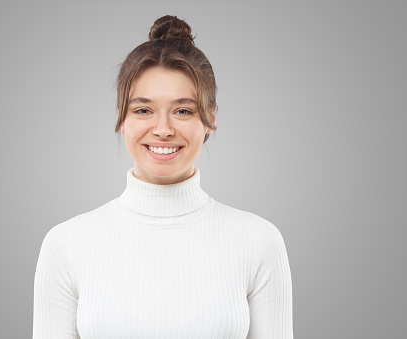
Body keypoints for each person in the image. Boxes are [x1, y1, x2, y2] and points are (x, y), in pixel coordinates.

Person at [33, 15, 293, 339]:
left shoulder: (259, 242)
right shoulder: (66, 245)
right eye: (143, 110)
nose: (163, 129)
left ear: (210, 118)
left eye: (183, 110)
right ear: (121, 118)